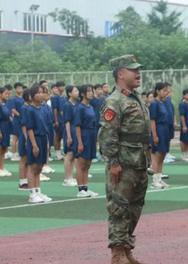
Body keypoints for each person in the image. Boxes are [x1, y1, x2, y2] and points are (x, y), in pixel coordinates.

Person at [98, 55, 150, 264]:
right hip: (124, 163)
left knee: (135, 206)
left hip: (139, 161)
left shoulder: (135, 98)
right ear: (120, 74)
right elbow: (107, 135)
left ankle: (126, 248)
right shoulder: (115, 101)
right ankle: (117, 253)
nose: (138, 73)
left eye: (138, 69)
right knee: (119, 207)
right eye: (133, 70)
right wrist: (114, 163)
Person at [26, 85, 52, 203]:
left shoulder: (42, 108)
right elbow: (30, 129)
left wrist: (46, 142)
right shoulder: (30, 110)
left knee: (39, 167)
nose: (41, 95)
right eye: (38, 93)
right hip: (35, 139)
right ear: (32, 96)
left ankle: (38, 192)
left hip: (42, 138)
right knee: (33, 167)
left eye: (42, 92)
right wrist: (34, 145)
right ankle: (32, 194)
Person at [74, 84, 98, 198]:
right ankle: (80, 189)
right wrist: (79, 142)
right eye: (89, 91)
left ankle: (85, 187)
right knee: (81, 164)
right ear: (83, 94)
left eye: (92, 91)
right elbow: (77, 126)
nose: (91, 93)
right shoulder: (80, 108)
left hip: (91, 135)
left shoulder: (91, 107)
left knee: (88, 163)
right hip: (84, 135)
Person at [150, 82, 170, 189]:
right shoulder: (154, 104)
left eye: (166, 91)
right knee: (157, 156)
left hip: (165, 129)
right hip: (158, 129)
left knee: (162, 155)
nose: (166, 93)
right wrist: (155, 135)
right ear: (157, 91)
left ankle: (159, 178)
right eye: (163, 91)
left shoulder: (163, 103)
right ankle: (154, 180)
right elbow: (152, 120)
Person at [62, 85, 79, 187]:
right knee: (69, 155)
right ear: (69, 93)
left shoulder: (75, 104)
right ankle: (67, 178)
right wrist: (69, 136)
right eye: (75, 91)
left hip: (75, 130)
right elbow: (67, 121)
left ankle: (71, 177)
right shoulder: (67, 105)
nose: (77, 92)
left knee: (73, 155)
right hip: (70, 130)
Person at [0, 87, 12, 177]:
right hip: (1, 126)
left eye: (8, 94)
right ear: (0, 94)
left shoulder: (5, 104)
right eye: (5, 93)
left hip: (6, 127)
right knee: (0, 149)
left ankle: (2, 167)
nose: (7, 95)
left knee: (5, 149)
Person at [18, 89, 31, 190]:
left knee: (28, 160)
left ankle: (27, 180)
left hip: (30, 135)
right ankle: (22, 181)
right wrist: (27, 138)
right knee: (23, 159)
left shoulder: (31, 107)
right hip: (25, 136)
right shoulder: (24, 108)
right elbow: (23, 125)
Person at [52, 81, 66, 160]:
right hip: (58, 119)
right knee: (57, 136)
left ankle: (60, 152)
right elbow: (55, 109)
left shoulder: (63, 97)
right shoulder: (55, 98)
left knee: (61, 136)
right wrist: (56, 120)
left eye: (63, 86)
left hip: (63, 119)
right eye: (61, 86)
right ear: (57, 87)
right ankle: (57, 153)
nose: (62, 88)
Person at [10, 83, 24, 161]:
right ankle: (14, 154)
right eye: (18, 88)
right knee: (15, 137)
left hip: (22, 121)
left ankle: (19, 153)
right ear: (15, 89)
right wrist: (21, 116)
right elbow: (13, 110)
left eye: (21, 88)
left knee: (21, 137)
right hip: (17, 120)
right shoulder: (14, 99)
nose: (20, 89)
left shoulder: (23, 99)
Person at [179, 89, 188, 162]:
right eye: (187, 94)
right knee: (183, 139)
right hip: (185, 123)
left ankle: (187, 152)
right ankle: (183, 154)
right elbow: (182, 115)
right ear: (184, 95)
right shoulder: (182, 104)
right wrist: (184, 125)